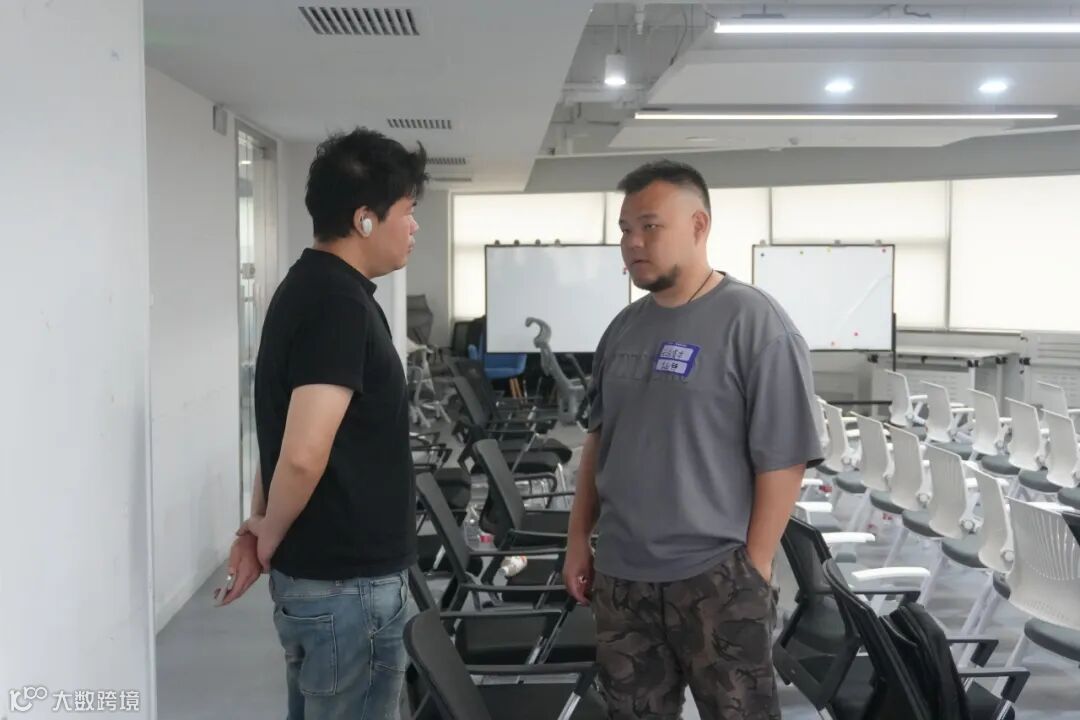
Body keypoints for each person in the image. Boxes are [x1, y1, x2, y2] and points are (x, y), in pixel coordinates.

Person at [562, 160, 823, 720]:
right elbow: (598, 443)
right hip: (623, 577)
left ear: (699, 225)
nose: (633, 242)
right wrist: (578, 538)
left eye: (650, 226)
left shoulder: (755, 323)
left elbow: (785, 457)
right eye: (625, 229)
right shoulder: (623, 328)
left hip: (716, 576)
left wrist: (754, 566)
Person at [216, 127, 427, 720]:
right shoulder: (338, 304)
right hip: (347, 586)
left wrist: (262, 524)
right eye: (407, 211)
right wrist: (268, 534)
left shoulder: (307, 287)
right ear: (365, 219)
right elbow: (303, 453)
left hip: (328, 581)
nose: (414, 227)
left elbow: (281, 435)